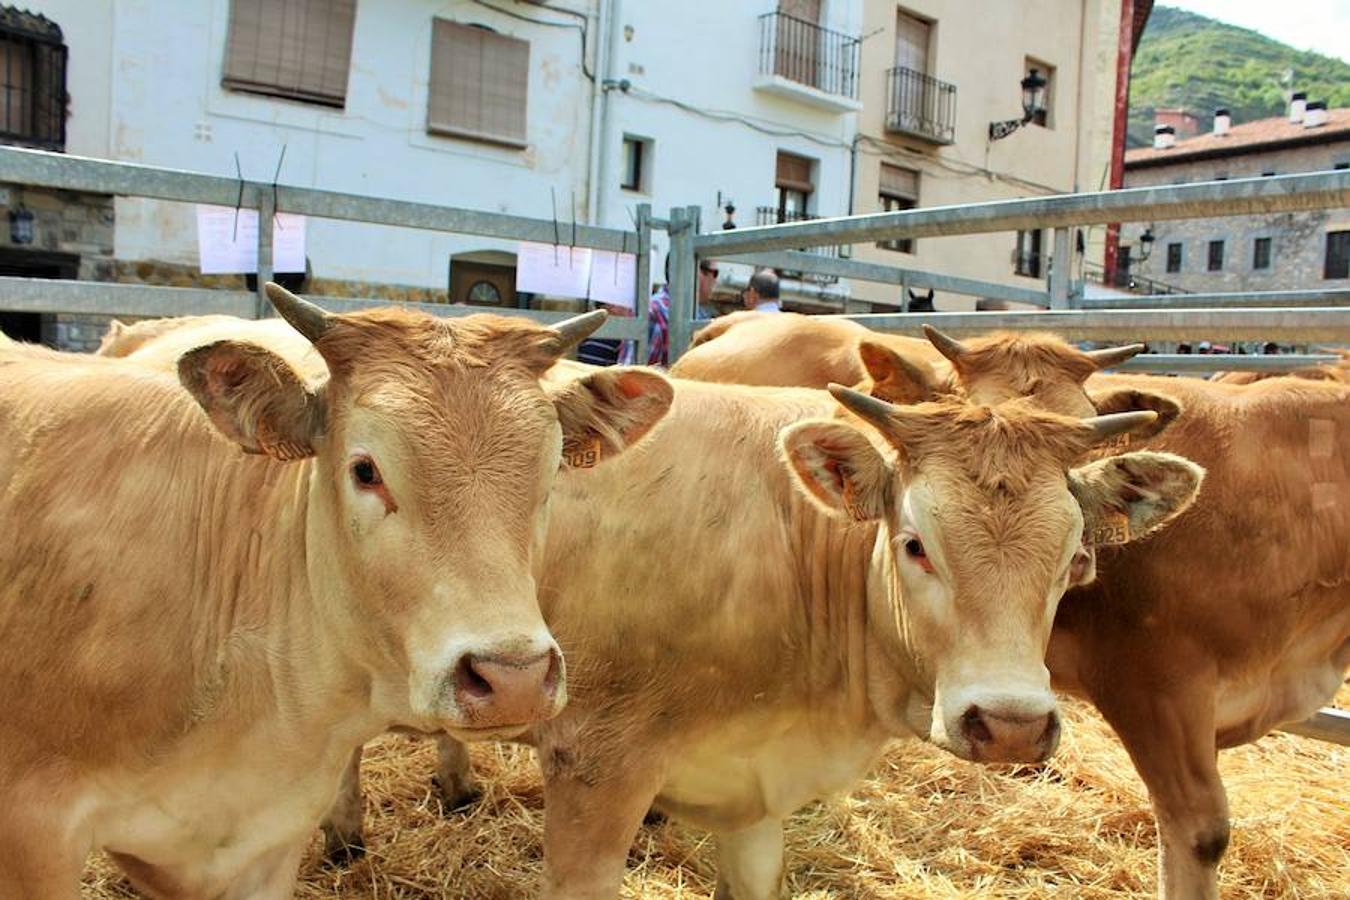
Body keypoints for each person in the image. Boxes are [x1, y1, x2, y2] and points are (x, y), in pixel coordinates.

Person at [619, 257, 718, 367]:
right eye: (715, 273)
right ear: (696, 272)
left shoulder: (699, 315)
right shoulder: (654, 312)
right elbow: (630, 374)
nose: (716, 280)